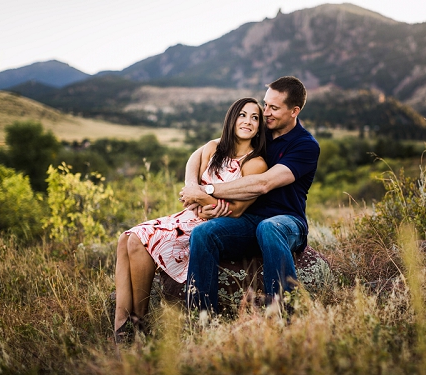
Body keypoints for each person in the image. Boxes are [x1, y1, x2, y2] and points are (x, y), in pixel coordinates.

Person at [114, 97, 268, 343]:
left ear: (260, 127)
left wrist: (202, 198)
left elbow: (237, 209)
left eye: (254, 117)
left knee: (136, 240)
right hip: (188, 217)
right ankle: (122, 325)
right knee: (127, 239)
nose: (248, 121)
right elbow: (192, 187)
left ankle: (138, 323)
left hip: (209, 226)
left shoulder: (255, 163)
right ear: (231, 119)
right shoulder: (213, 149)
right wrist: (195, 193)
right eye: (242, 115)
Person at [180, 76, 320, 314]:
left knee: (269, 227)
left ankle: (284, 313)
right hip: (247, 220)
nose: (266, 113)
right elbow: (204, 149)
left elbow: (263, 184)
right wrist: (191, 184)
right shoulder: (260, 129)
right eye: (265, 105)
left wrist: (206, 190)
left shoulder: (305, 145)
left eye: (274, 108)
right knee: (203, 233)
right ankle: (201, 318)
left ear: (294, 111)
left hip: (287, 221)